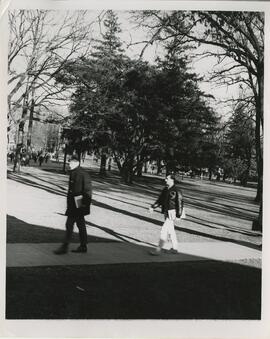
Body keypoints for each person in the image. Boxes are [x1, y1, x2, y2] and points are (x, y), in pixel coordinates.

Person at [54, 155, 92, 255]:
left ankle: (64, 247)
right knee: (80, 225)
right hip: (74, 203)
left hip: (78, 203)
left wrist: (82, 206)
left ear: (76, 163)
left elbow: (87, 192)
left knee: (69, 224)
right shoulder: (74, 173)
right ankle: (83, 246)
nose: (68, 164)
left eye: (70, 163)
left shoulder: (83, 174)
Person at [149, 173, 183, 255]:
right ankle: (175, 249)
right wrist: (153, 207)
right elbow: (160, 200)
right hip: (166, 212)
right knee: (171, 231)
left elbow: (180, 203)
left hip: (172, 213)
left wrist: (178, 215)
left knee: (164, 230)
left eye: (167, 178)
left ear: (172, 180)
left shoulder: (177, 190)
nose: (165, 180)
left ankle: (158, 250)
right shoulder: (165, 189)